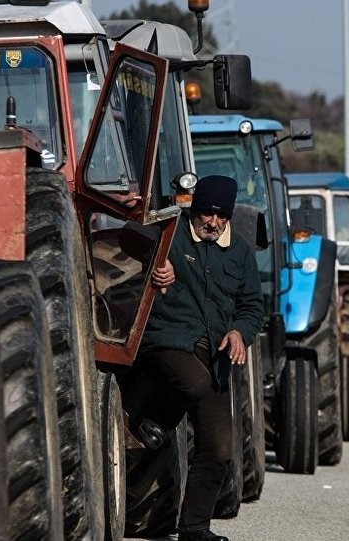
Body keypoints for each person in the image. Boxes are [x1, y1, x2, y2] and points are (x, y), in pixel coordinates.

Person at [129, 174, 264, 541]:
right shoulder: (168, 237)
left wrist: (239, 332)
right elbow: (129, 264)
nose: (213, 222)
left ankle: (194, 529)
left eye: (220, 216)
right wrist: (158, 274)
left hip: (216, 355)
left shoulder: (239, 252)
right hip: (169, 341)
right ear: (195, 210)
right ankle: (149, 418)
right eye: (206, 213)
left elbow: (252, 306)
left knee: (219, 450)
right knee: (193, 379)